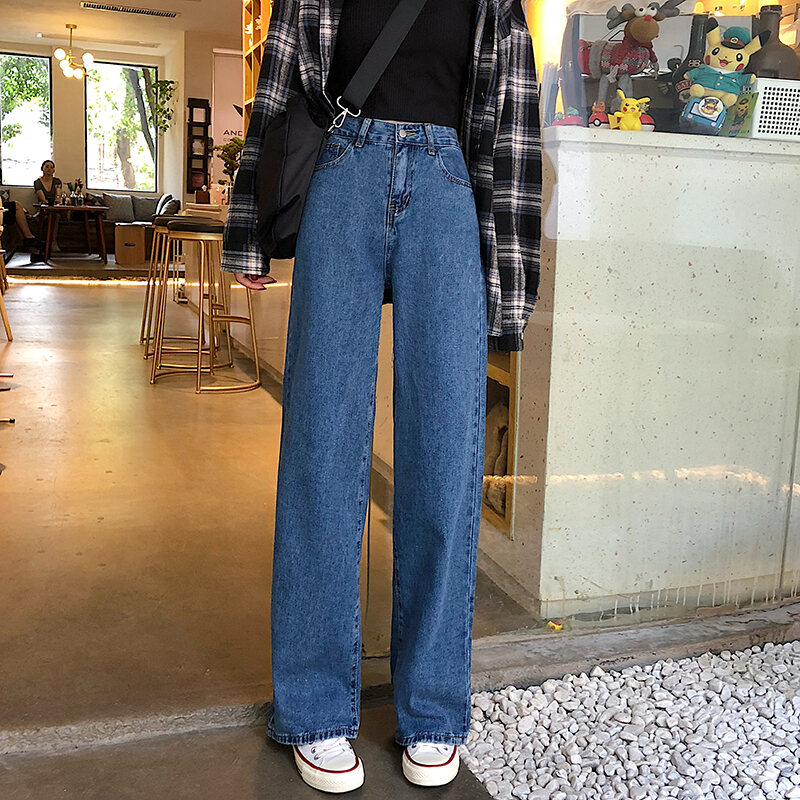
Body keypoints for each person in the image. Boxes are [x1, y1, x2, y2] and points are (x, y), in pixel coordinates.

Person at [221, 0, 541, 792]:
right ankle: (315, 708)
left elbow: (512, 128)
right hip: (342, 175)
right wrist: (250, 228)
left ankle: (431, 708)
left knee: (445, 457)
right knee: (321, 450)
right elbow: (278, 91)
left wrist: (510, 283)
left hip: (446, 188)